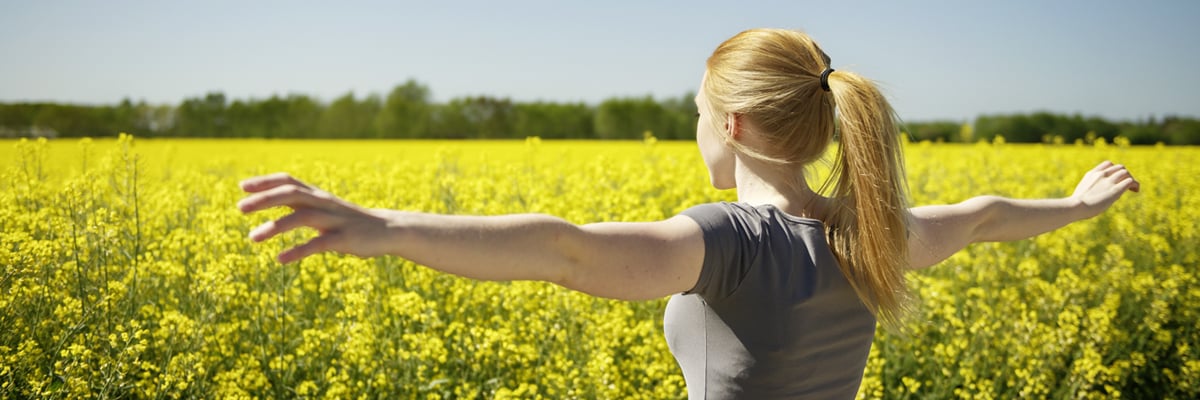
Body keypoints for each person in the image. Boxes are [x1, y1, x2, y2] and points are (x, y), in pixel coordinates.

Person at [237, 28, 1139, 399]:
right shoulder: (876, 235)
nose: (695, 129)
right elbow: (981, 216)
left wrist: (386, 229)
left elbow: (565, 252)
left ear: (733, 125)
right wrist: (1073, 205)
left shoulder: (729, 244)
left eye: (698, 114)